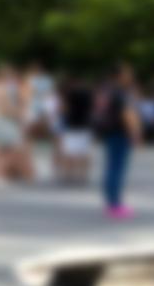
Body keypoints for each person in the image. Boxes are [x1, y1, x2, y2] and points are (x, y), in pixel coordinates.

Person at [97, 65, 140, 219]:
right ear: (120, 75)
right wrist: (135, 133)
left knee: (111, 167)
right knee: (117, 169)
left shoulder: (108, 91)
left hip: (110, 132)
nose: (130, 76)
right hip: (121, 133)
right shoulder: (121, 93)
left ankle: (111, 202)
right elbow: (127, 114)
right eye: (128, 73)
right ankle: (115, 204)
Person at [56, 75, 96, 186]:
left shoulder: (69, 94)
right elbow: (94, 108)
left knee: (69, 152)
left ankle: (68, 175)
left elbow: (64, 108)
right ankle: (83, 176)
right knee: (85, 152)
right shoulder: (89, 93)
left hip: (71, 125)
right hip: (86, 125)